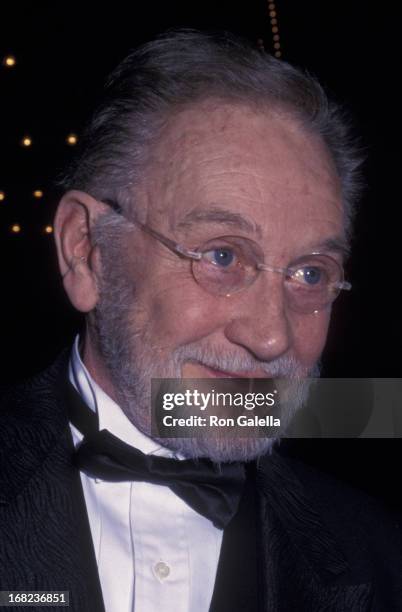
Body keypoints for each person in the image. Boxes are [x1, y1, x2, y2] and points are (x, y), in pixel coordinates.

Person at [1, 29, 401, 612]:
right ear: (86, 251)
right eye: (222, 256)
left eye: (311, 274)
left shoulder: (377, 553)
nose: (272, 338)